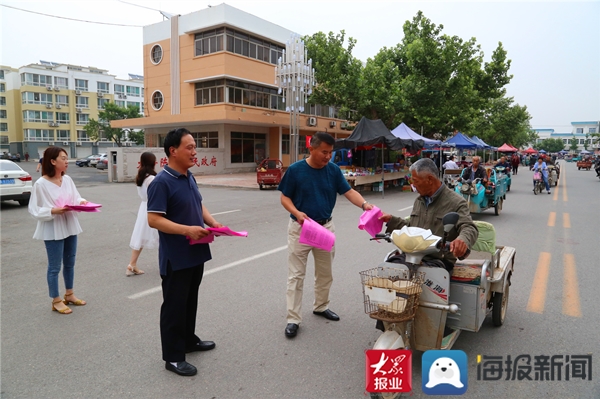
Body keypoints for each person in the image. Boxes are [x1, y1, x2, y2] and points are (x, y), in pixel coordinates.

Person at [277, 132, 374, 339]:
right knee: (296, 275)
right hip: (300, 228)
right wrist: (296, 213)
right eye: (324, 152)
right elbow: (284, 198)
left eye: (330, 152)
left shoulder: (333, 170)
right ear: (311, 148)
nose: (328, 156)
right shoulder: (296, 170)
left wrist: (365, 205)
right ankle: (293, 319)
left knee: (325, 273)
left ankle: (321, 306)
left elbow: (348, 192)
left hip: (324, 228)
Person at [147, 128, 222, 377]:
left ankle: (189, 341)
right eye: (189, 147)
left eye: (194, 146)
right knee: (174, 307)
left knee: (190, 301)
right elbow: (154, 220)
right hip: (176, 257)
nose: (194, 151)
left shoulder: (188, 176)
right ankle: (173, 356)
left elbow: (198, 203)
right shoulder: (161, 182)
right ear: (173, 151)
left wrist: (212, 223)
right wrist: (186, 230)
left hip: (195, 252)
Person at [379, 158, 478, 272]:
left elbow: (469, 227)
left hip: (438, 260)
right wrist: (391, 220)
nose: (413, 185)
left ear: (429, 179)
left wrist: (462, 240)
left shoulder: (456, 202)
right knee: (388, 270)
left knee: (422, 277)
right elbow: (412, 228)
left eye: (415, 181)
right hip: (412, 257)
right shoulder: (419, 201)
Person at [28, 146, 88, 315]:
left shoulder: (67, 179)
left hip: (69, 224)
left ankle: (69, 294)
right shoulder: (40, 184)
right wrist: (53, 211)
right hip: (53, 227)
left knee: (70, 262)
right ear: (53, 161)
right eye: (63, 158)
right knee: (54, 267)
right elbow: (33, 209)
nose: (66, 161)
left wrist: (82, 202)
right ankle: (55, 300)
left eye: (66, 158)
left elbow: (75, 197)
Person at [127, 152, 159, 276]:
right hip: (153, 208)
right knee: (163, 235)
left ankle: (132, 264)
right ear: (153, 162)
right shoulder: (152, 178)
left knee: (141, 236)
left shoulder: (141, 176)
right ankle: (168, 263)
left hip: (144, 207)